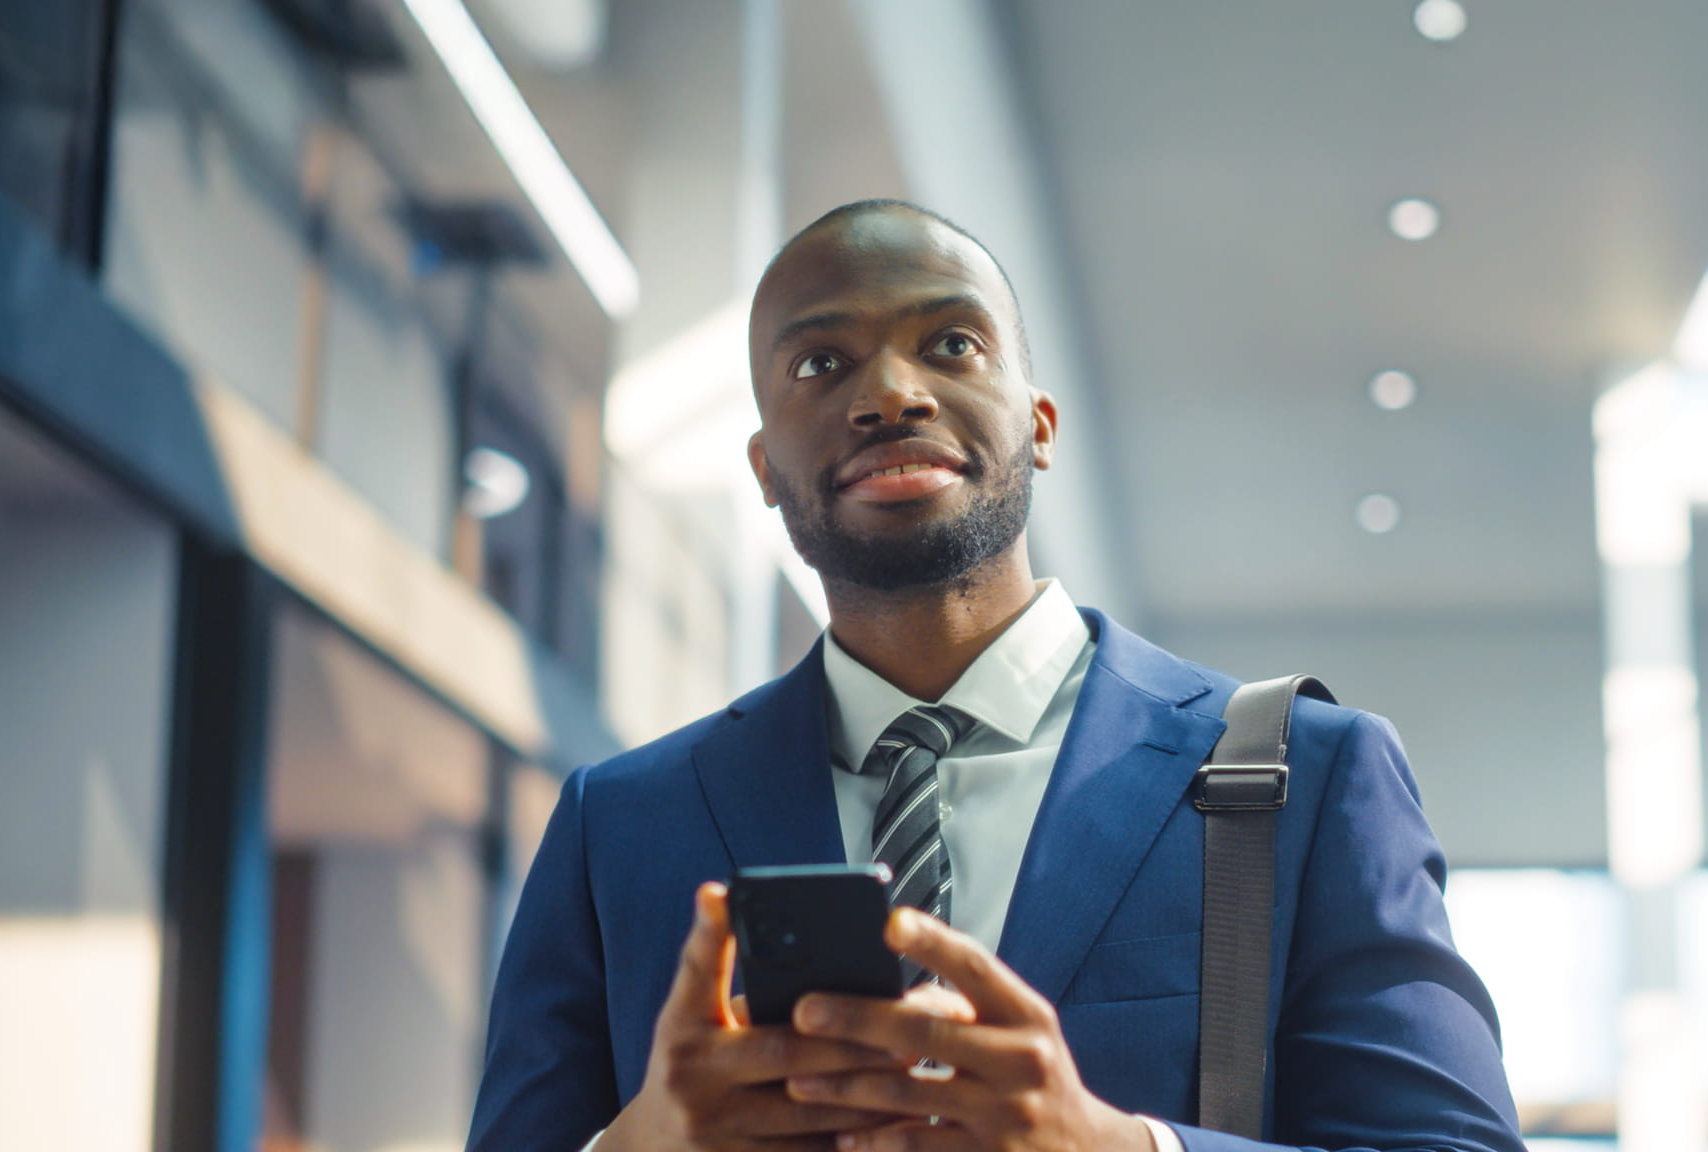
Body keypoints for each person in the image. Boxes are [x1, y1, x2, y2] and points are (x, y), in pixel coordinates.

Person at [468, 199, 1522, 1152]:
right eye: (818, 366)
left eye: (952, 343)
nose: (889, 393)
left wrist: (1120, 1151)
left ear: (1040, 424)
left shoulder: (1309, 779)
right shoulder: (622, 826)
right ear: (762, 468)